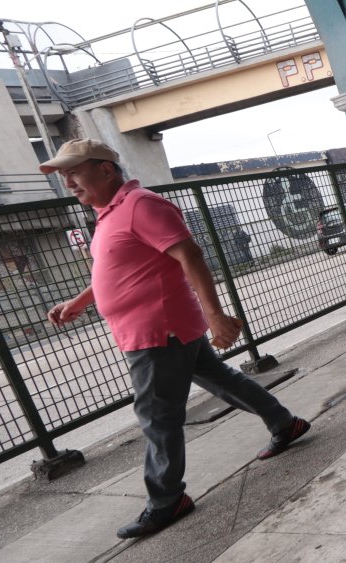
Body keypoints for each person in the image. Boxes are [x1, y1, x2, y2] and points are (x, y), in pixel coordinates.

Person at [41, 139, 311, 539]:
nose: (68, 181)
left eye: (74, 171)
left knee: (157, 416)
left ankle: (167, 501)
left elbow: (190, 256)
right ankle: (284, 424)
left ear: (105, 170)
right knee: (221, 378)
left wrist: (216, 315)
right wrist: (81, 300)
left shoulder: (141, 205)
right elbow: (121, 268)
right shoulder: (109, 212)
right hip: (155, 328)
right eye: (63, 174)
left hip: (157, 331)